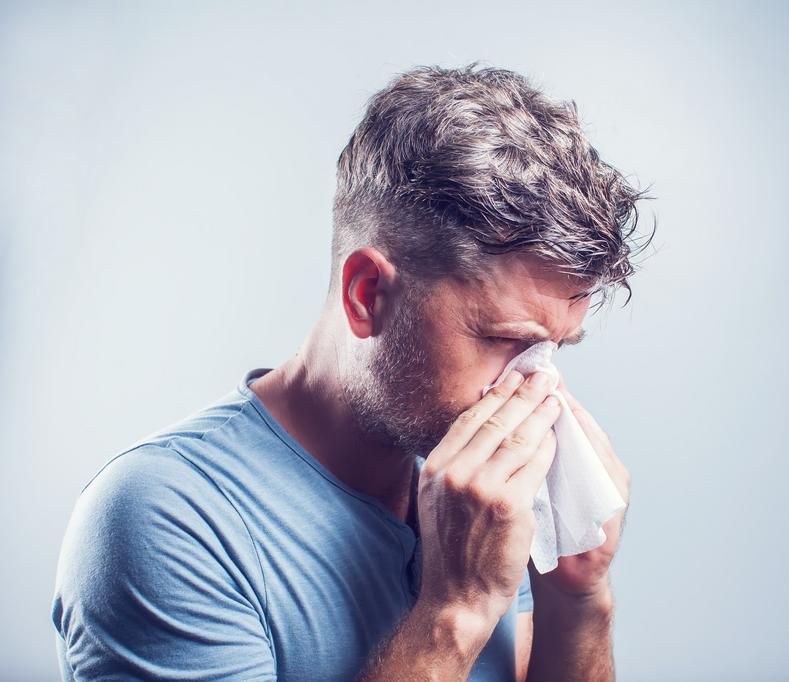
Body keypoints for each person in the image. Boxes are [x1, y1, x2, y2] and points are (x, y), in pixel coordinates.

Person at [51, 62, 652, 681]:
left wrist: (576, 599)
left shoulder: (471, 489)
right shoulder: (166, 519)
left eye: (554, 349)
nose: (533, 388)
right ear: (367, 294)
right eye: (506, 341)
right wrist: (457, 610)